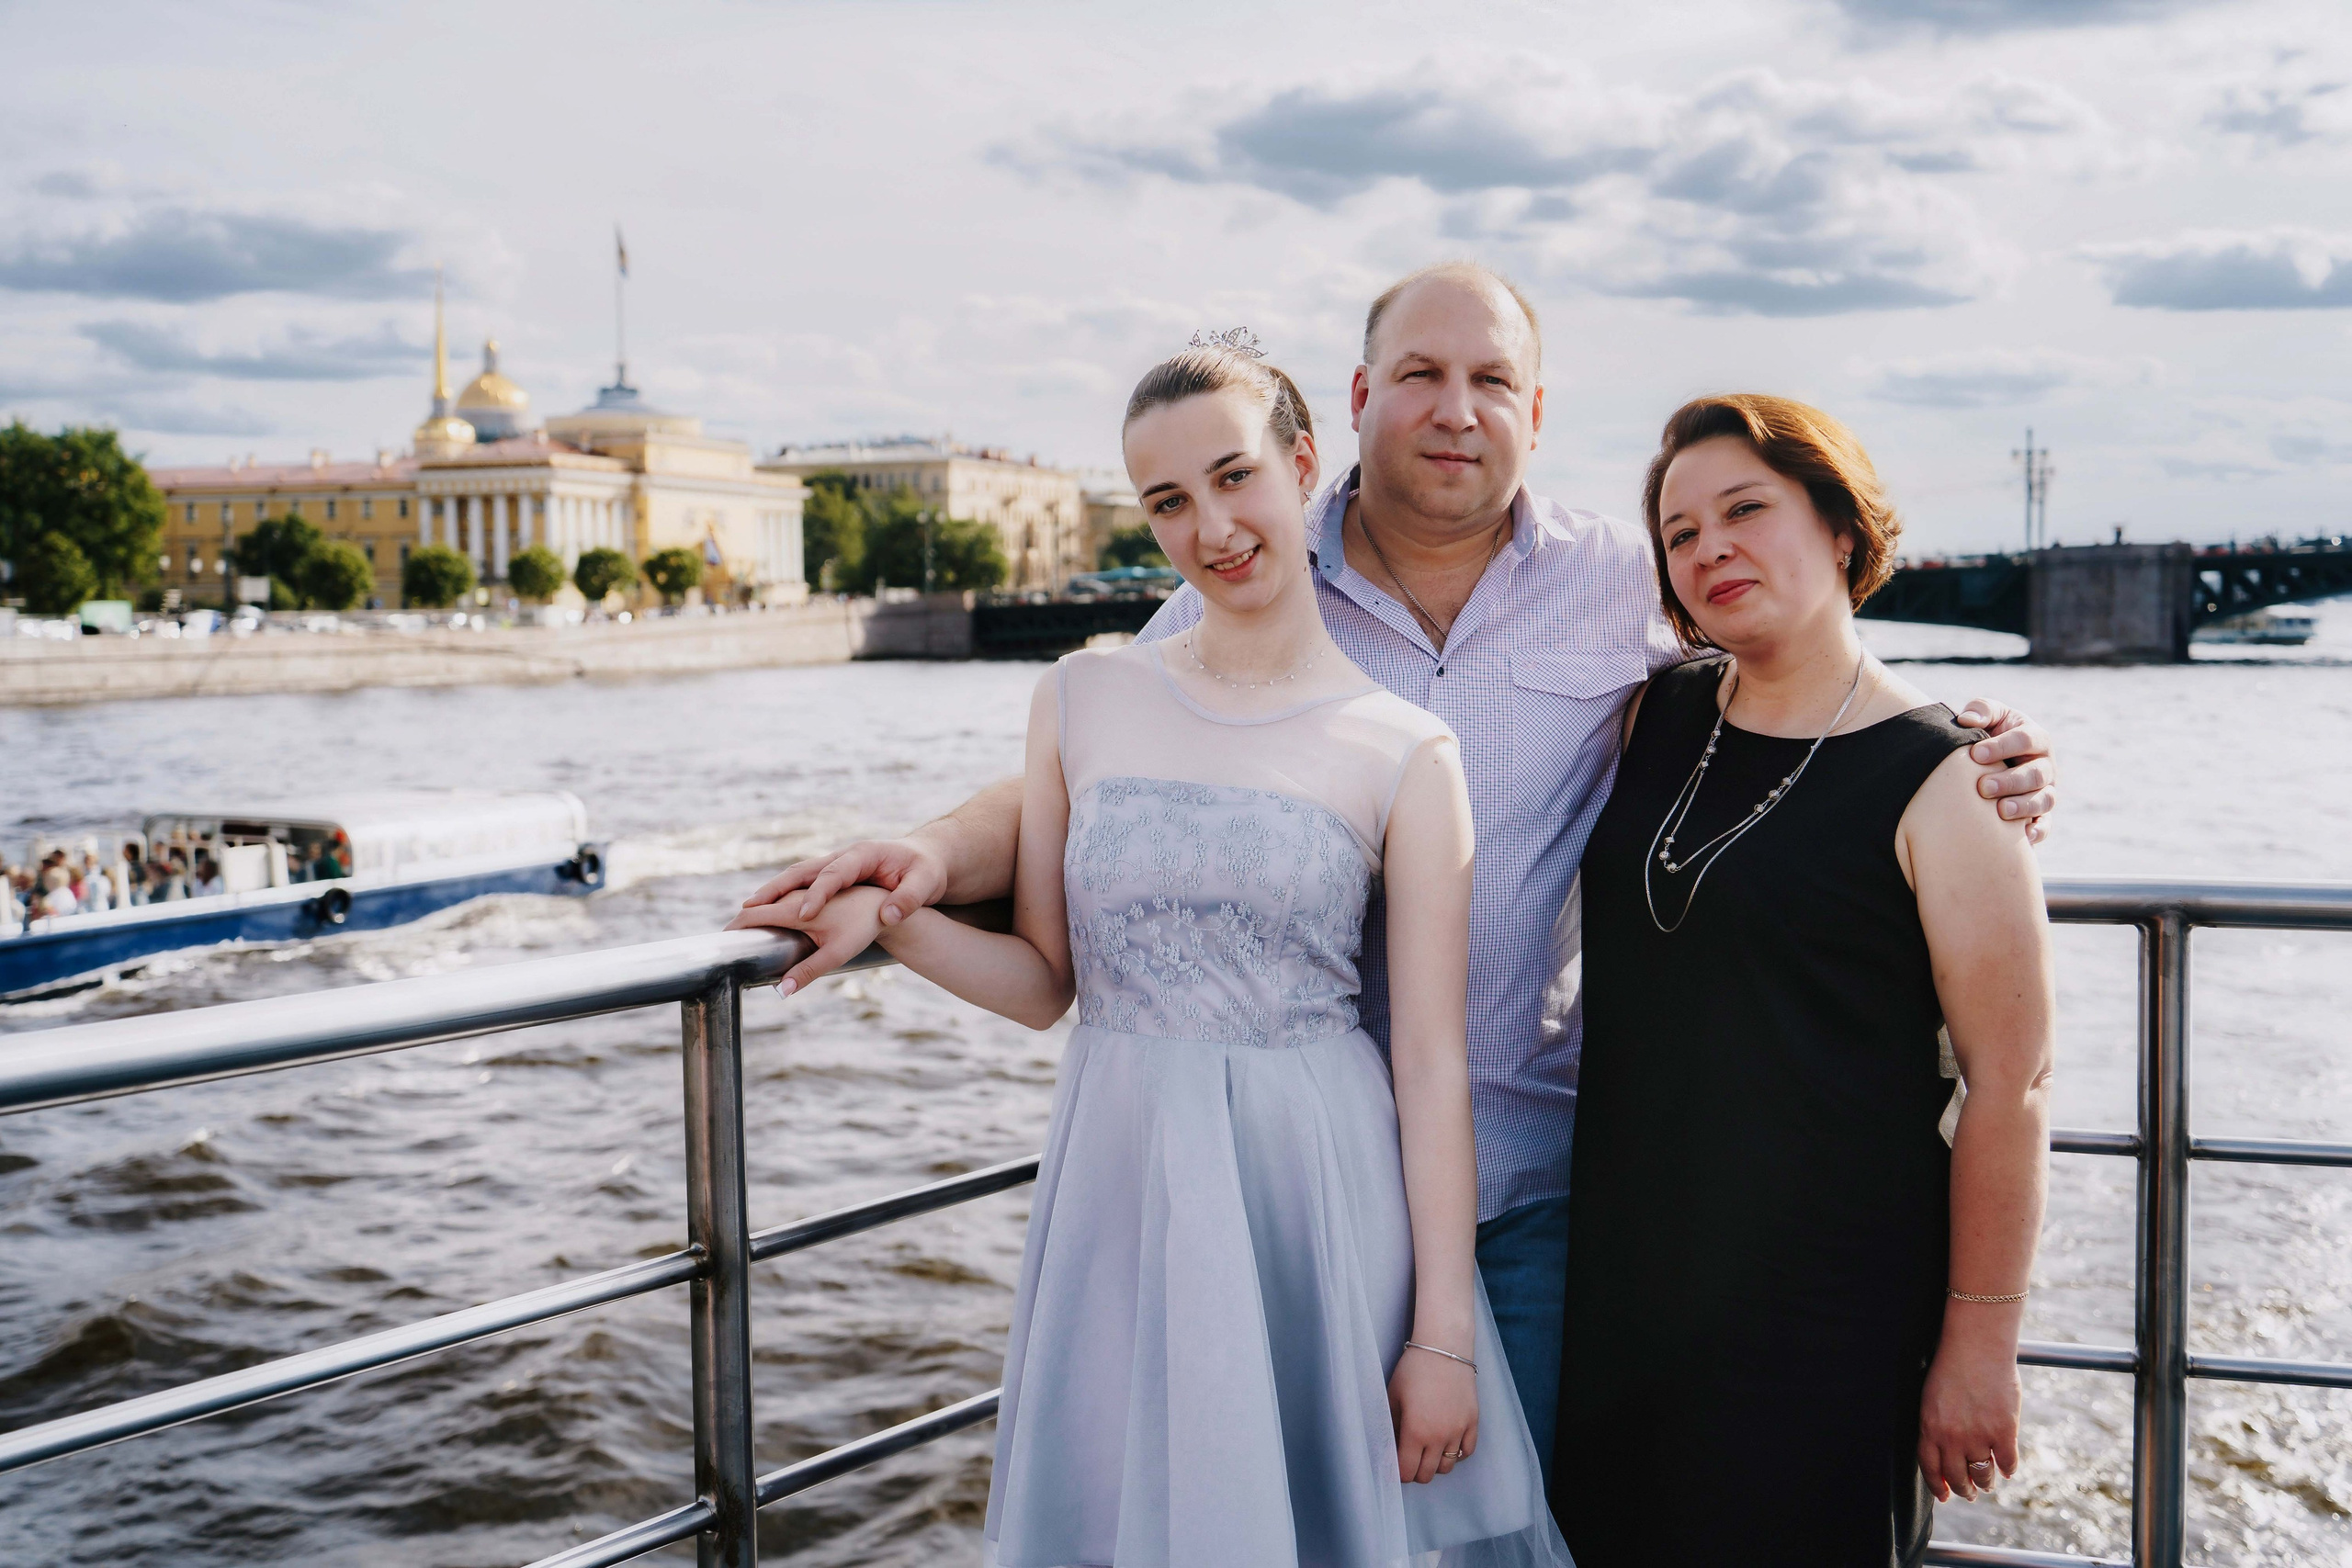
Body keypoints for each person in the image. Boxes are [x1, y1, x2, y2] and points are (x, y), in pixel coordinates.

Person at [739, 264, 2061, 1467]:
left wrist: (1957, 745)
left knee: (1521, 1524)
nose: (1455, 409)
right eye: (1421, 374)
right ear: (1361, 400)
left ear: (1534, 411)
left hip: (1533, 1190)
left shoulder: (1625, 579)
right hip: (1298, 1187)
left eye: (1491, 379)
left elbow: (1791, 669)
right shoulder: (1243, 564)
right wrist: (927, 853)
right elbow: (1100, 773)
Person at [735, 340, 1574, 1566]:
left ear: (1303, 466)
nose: (1211, 529)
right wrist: (894, 915)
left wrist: (1441, 1333)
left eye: (1235, 477)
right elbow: (1044, 985)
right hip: (1118, 1184)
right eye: (1168, 501)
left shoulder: (1404, 749)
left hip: (1313, 1193)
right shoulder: (1082, 697)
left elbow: (1434, 1064)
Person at [1551, 396, 2054, 1566]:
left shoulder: (1947, 776)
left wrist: (1979, 1346)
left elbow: (2012, 1084)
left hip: (1827, 1314)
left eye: (1745, 510)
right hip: (1628, 1289)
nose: (1709, 548)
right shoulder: (1650, 713)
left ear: (1838, 527)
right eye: (1680, 533)